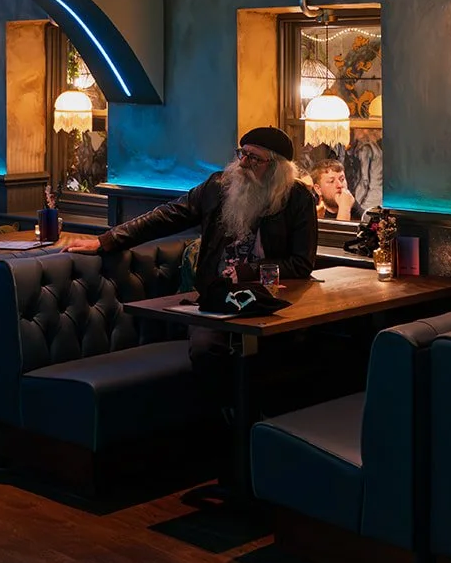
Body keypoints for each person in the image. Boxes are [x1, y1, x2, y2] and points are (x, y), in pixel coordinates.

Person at [67, 127, 318, 413]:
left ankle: (261, 426)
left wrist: (250, 271)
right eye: (242, 155)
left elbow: (301, 263)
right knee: (206, 347)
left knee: (291, 350)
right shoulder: (218, 186)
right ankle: (224, 422)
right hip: (214, 298)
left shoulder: (298, 199)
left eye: (254, 159)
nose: (243, 165)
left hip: (269, 302)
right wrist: (106, 240)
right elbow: (167, 216)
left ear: (277, 169)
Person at [310, 156, 361, 222]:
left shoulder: (355, 210)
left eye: (342, 179)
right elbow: (339, 232)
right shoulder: (311, 213)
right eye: (331, 181)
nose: (340, 185)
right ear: (318, 189)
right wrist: (344, 208)